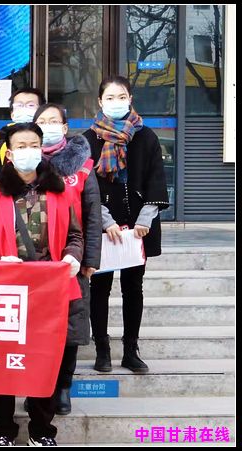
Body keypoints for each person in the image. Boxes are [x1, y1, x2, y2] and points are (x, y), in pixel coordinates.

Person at [0, 122, 83, 447]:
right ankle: (3, 430)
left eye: (33, 145)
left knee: (46, 362)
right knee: (3, 363)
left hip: (50, 291)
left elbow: (75, 234)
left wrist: (73, 255)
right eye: (20, 146)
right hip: (7, 290)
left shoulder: (60, 189)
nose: (27, 151)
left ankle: (41, 429)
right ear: (9, 153)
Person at [83, 75, 169, 374]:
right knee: (100, 287)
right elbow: (86, 186)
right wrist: (104, 221)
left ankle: (131, 350)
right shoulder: (88, 140)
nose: (116, 102)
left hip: (137, 228)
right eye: (110, 97)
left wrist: (146, 218)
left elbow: (156, 179)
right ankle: (102, 349)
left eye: (121, 97)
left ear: (130, 99)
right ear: (100, 101)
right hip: (103, 226)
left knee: (134, 288)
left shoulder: (146, 137)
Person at [33, 103, 103, 415]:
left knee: (70, 328)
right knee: (36, 328)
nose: (47, 126)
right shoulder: (25, 164)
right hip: (33, 260)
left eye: (53, 121)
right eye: (41, 121)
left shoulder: (82, 166)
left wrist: (90, 259)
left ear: (64, 128)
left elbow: (92, 215)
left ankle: (63, 386)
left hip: (71, 259)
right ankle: (37, 387)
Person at [0, 88, 46, 182]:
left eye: (30, 105)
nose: (24, 109)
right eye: (19, 106)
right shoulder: (0, 147)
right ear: (12, 114)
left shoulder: (52, 142)